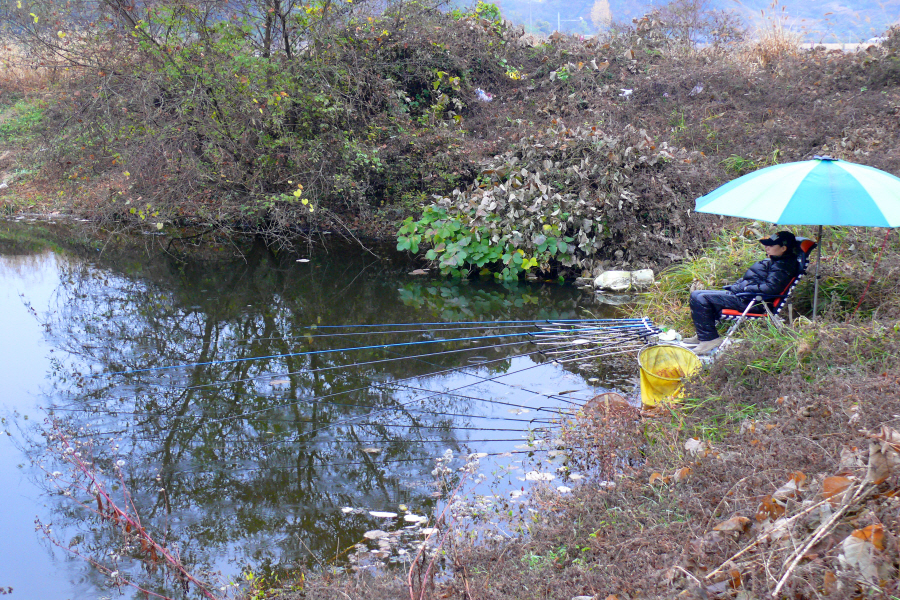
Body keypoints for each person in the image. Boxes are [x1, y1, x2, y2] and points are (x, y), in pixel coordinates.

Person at [683, 231, 800, 355]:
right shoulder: (776, 261)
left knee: (701, 298)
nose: (767, 247)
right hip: (745, 297)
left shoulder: (784, 266)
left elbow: (771, 288)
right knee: (697, 294)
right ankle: (704, 335)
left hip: (754, 302)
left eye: (771, 245)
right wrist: (738, 286)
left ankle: (709, 339)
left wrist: (745, 288)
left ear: (783, 248)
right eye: (767, 244)